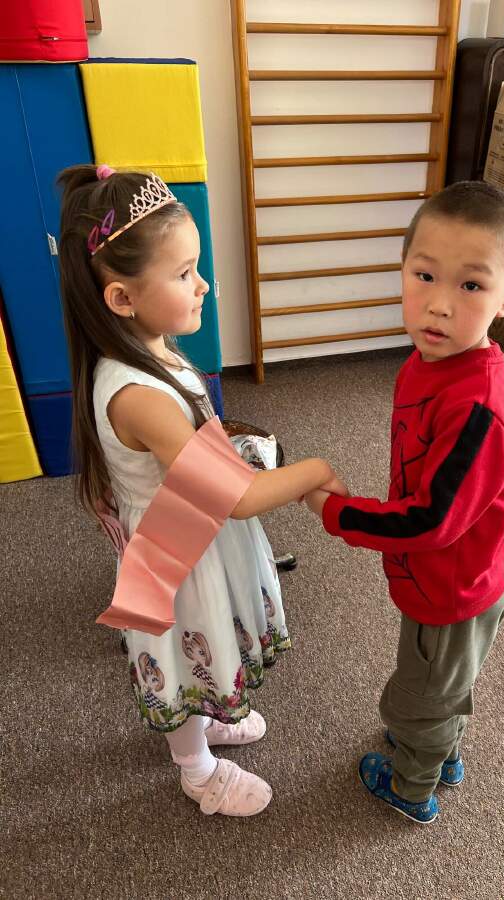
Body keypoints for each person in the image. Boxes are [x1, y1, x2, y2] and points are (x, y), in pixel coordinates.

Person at [58, 164, 347, 818]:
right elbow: (235, 499)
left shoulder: (151, 346)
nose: (204, 284)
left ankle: (210, 718)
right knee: (186, 663)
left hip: (192, 530)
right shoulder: (136, 393)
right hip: (176, 556)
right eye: (185, 272)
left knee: (207, 652)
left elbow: (196, 450)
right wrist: (315, 470)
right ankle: (196, 769)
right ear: (122, 298)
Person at [305, 181, 504, 824]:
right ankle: (440, 746)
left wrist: (335, 512)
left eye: (471, 285)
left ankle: (413, 787)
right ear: (402, 268)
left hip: (453, 591)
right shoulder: (429, 361)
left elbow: (431, 519)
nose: (438, 305)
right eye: (424, 275)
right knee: (440, 684)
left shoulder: (478, 408)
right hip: (435, 578)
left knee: (421, 697)